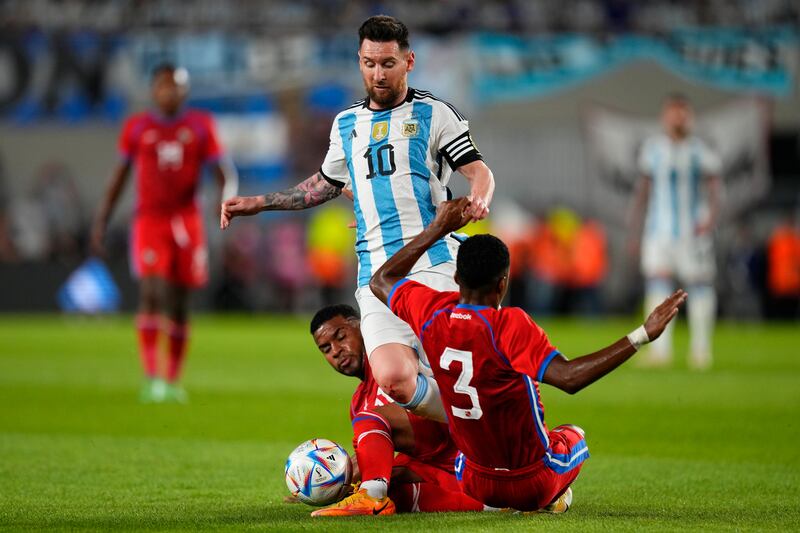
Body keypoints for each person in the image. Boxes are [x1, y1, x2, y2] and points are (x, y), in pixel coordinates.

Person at [221, 15, 494, 500]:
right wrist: (259, 202)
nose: (379, 74)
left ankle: (493, 449)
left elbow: (477, 169)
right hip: (376, 278)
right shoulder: (347, 124)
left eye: (388, 63)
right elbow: (324, 185)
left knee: (460, 370)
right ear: (359, 63)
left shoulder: (434, 115)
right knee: (392, 377)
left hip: (434, 262)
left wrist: (479, 196)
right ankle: (483, 437)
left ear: (408, 62)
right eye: (369, 63)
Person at [369, 197, 686, 512]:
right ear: (503, 282)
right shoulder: (508, 324)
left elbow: (381, 279)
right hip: (531, 483)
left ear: (456, 278)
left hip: (473, 479)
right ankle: (551, 497)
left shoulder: (431, 311)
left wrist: (437, 229)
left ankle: (473, 499)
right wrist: (642, 334)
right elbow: (570, 378)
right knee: (575, 435)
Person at [91, 64, 235, 403]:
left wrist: (225, 203)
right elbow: (120, 176)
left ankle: (172, 380)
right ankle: (151, 377)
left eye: (175, 87)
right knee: (153, 290)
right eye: (163, 86)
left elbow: (223, 172)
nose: (169, 92)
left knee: (180, 302)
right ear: (154, 90)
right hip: (150, 221)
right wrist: (102, 219)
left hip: (187, 222)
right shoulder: (138, 127)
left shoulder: (200, 126)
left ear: (184, 91)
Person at [307, 304, 491, 516]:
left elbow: (426, 429)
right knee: (391, 489)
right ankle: (490, 504)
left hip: (476, 454)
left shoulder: (398, 364)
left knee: (376, 443)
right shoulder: (359, 403)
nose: (337, 351)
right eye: (326, 349)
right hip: (446, 472)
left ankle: (371, 496)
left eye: (341, 337)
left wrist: (343, 476)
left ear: (362, 326)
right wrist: (326, 484)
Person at [628, 93, 721, 370]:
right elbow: (642, 192)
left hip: (693, 233)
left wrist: (711, 218)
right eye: (673, 112)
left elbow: (716, 188)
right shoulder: (652, 149)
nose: (678, 117)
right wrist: (634, 230)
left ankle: (701, 350)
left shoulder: (700, 151)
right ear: (664, 116)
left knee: (699, 285)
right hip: (659, 232)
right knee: (658, 285)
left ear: (689, 116)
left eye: (683, 112)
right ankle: (660, 351)